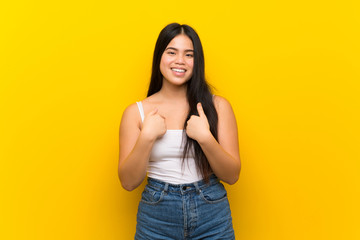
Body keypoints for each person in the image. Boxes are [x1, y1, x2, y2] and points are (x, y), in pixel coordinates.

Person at [118, 23, 241, 239]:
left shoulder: (218, 107)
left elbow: (232, 175)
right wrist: (146, 137)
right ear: (159, 57)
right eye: (171, 52)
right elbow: (128, 182)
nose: (180, 61)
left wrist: (206, 138)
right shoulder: (135, 113)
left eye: (189, 54)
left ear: (197, 61)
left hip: (212, 214)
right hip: (156, 218)